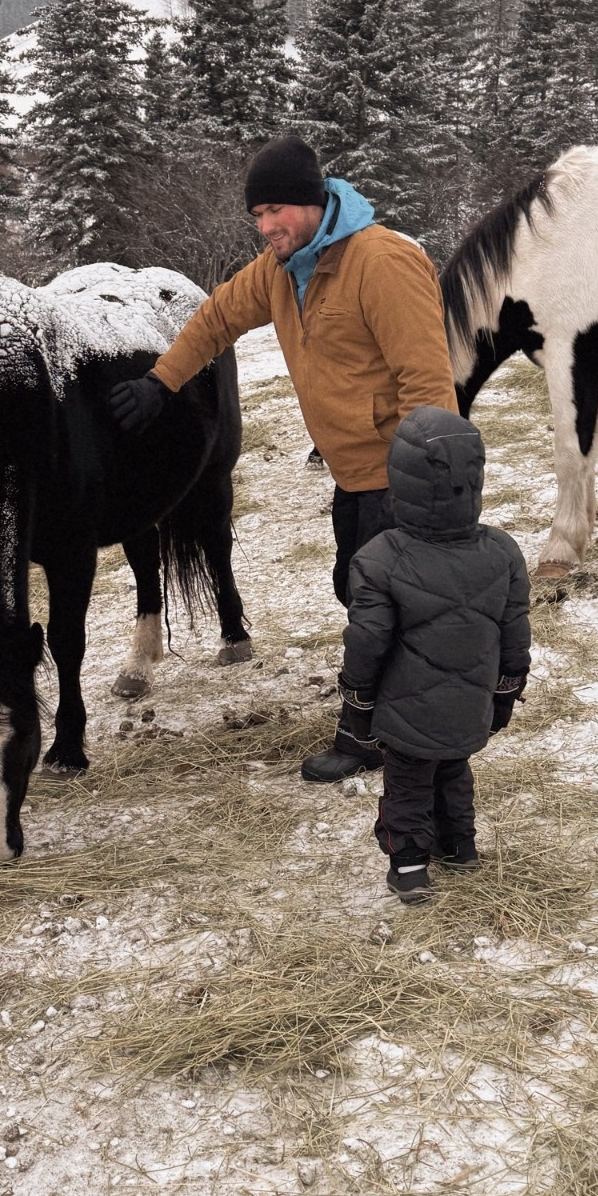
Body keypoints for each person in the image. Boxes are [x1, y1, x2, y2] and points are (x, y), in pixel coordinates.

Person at [109, 134, 459, 782]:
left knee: (379, 604)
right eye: (257, 215)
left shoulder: (380, 262)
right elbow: (215, 319)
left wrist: (430, 488)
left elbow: (430, 384)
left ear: (313, 200)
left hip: (400, 468)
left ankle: (377, 738)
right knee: (354, 590)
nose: (267, 226)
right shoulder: (279, 272)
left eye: (277, 210)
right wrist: (162, 382)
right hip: (353, 473)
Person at [338, 406, 530, 903]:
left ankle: (409, 866)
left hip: (406, 709)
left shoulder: (380, 558)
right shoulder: (503, 552)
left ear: (400, 482)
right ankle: (460, 846)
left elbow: (368, 638)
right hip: (471, 705)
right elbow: (515, 631)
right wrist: (507, 692)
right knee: (452, 769)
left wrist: (357, 699)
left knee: (408, 784)